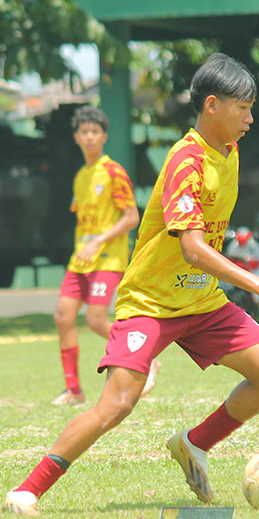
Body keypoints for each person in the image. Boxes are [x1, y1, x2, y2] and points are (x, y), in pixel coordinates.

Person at [4, 53, 259, 515]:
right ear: (211, 106)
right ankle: (27, 491)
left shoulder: (231, 150)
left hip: (201, 301)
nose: (250, 117)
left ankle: (194, 443)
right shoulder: (186, 161)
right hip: (151, 302)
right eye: (242, 107)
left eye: (250, 107)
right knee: (117, 405)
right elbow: (193, 248)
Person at [51, 105, 155, 406]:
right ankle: (73, 389)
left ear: (104, 136)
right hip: (80, 260)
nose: (90, 137)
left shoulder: (113, 171)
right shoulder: (82, 177)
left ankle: (145, 360)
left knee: (96, 320)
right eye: (85, 132)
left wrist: (98, 241)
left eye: (95, 132)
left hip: (108, 258)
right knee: (62, 317)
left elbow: (131, 217)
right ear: (77, 137)